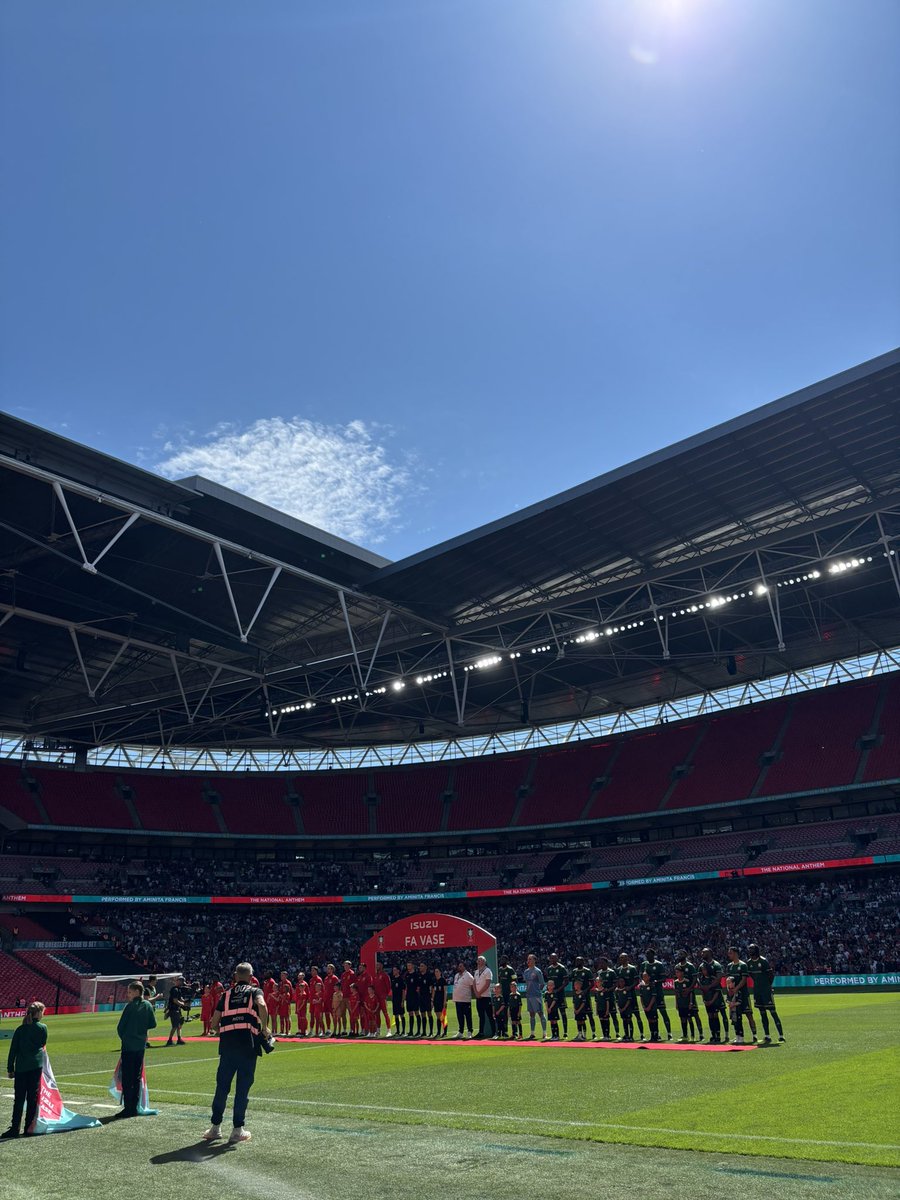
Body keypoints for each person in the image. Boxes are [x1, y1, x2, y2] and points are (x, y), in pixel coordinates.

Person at [203, 962, 270, 1145]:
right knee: (242, 1089)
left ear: (235, 976)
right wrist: (264, 1028)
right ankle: (237, 1130)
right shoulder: (254, 991)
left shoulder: (226, 994)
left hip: (227, 1046)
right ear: (251, 976)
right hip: (247, 1045)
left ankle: (215, 1128)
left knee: (222, 1087)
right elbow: (262, 1005)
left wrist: (219, 1029)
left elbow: (214, 1021)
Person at [3, 1001, 47, 1138]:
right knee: (32, 1098)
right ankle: (29, 1128)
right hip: (35, 1066)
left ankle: (14, 1128)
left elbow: (13, 1051)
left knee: (19, 1099)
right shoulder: (42, 1028)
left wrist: (10, 1068)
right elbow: (43, 1043)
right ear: (38, 1013)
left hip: (21, 1067)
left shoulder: (20, 1029)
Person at [116, 981, 157, 1118]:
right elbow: (153, 1024)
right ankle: (135, 1105)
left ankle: (129, 1108)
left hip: (128, 1046)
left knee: (127, 1077)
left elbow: (120, 1028)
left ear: (136, 992)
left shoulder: (130, 1007)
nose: (128, 995)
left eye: (129, 992)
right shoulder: (147, 1005)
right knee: (137, 1077)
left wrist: (126, 1037)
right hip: (140, 1045)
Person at [747, 944, 785, 1043]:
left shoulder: (763, 961)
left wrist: (768, 986)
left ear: (757, 950)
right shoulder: (749, 963)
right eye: (749, 949)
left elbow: (771, 975)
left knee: (773, 1012)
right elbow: (751, 975)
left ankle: (781, 1035)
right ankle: (767, 1035)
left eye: (752, 949)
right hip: (757, 991)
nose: (750, 951)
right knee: (762, 1013)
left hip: (766, 991)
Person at [726, 947, 758, 1045]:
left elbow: (744, 980)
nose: (729, 955)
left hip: (743, 994)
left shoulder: (743, 965)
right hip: (733, 995)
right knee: (736, 1016)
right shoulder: (729, 966)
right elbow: (728, 980)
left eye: (730, 953)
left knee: (749, 1015)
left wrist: (737, 988)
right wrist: (730, 990)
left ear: (735, 953)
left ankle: (755, 1035)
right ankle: (738, 1036)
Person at [640, 948, 672, 1040]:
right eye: (646, 954)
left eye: (649, 954)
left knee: (663, 1012)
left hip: (658, 992)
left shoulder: (659, 964)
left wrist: (655, 981)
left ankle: (669, 1033)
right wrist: (643, 981)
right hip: (648, 994)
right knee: (651, 1015)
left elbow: (664, 978)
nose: (647, 955)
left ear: (653, 955)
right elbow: (641, 975)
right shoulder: (644, 965)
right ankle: (655, 1034)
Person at [675, 950, 703, 1038]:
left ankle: (701, 1034)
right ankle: (685, 1034)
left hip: (690, 994)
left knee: (695, 1014)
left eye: (682, 954)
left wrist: (690, 989)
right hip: (681, 998)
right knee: (684, 1016)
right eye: (679, 954)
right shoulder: (677, 966)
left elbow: (695, 978)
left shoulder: (690, 966)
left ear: (686, 955)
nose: (680, 955)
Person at [697, 961, 726, 1044]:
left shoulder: (713, 978)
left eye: (705, 970)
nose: (703, 971)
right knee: (710, 1017)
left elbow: (717, 991)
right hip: (707, 1001)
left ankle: (718, 1035)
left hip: (714, 1001)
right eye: (702, 970)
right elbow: (702, 991)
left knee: (715, 1016)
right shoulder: (702, 979)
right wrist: (704, 1000)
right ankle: (712, 1034)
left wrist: (712, 1001)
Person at [616, 954, 644, 1041]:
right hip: (622, 996)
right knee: (625, 1017)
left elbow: (637, 981)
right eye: (620, 957)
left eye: (623, 957)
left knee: (637, 1015)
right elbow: (618, 981)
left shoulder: (632, 968)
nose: (621, 959)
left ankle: (642, 1035)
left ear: (627, 958)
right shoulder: (618, 969)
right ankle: (627, 1035)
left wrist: (630, 987)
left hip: (631, 995)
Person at [673, 966, 701, 1042]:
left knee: (689, 1019)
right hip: (680, 1003)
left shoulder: (687, 981)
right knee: (682, 1019)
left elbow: (691, 993)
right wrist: (676, 1003)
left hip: (687, 1003)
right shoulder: (675, 982)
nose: (677, 973)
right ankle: (685, 1035)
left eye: (678, 972)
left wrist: (691, 1002)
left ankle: (692, 1035)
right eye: (676, 972)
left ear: (682, 973)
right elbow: (676, 993)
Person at [545, 953, 570, 1039]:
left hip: (560, 995)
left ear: (557, 958)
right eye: (551, 958)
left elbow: (566, 981)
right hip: (552, 996)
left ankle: (565, 1032)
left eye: (554, 958)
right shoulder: (549, 969)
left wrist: (558, 990)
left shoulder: (562, 968)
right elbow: (549, 982)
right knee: (553, 1014)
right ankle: (555, 1033)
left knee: (563, 1013)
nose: (552, 960)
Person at [595, 956, 619, 1041]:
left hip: (610, 997)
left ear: (606, 963)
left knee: (613, 1015)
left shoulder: (611, 972)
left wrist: (608, 990)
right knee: (603, 1016)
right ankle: (605, 1034)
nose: (600, 964)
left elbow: (616, 984)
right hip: (601, 998)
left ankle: (617, 1033)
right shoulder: (599, 973)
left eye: (602, 963)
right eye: (600, 963)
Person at [452, 960, 475, 1039]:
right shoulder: (456, 975)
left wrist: (472, 995)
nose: (459, 967)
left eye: (461, 966)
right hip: (457, 1000)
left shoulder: (468, 975)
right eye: (459, 966)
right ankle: (460, 1032)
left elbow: (473, 986)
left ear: (464, 967)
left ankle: (470, 1032)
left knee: (468, 1016)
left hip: (465, 1000)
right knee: (460, 1017)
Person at [474, 955, 495, 1039]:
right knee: (481, 1015)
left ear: (484, 961)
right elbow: (474, 983)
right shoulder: (476, 972)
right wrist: (476, 993)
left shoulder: (488, 971)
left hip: (486, 996)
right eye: (478, 960)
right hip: (478, 997)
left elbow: (487, 984)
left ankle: (494, 1032)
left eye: (480, 960)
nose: (478, 962)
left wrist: (479, 992)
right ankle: (481, 1032)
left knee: (490, 1015)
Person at [164, 976, 189, 1046]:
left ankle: (179, 1039)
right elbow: (175, 1000)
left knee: (179, 1025)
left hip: (177, 1009)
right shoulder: (175, 989)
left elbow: (180, 999)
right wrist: (183, 1005)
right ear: (178, 981)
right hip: (174, 1010)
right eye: (181, 981)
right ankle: (169, 1040)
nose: (182, 983)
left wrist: (185, 1001)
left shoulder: (178, 989)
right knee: (175, 1026)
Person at [637, 971, 660, 1042]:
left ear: (649, 977)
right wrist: (643, 1006)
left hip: (652, 1007)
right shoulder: (641, 987)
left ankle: (656, 1035)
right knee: (649, 1020)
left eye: (646, 976)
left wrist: (649, 1006)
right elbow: (641, 997)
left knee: (654, 1020)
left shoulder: (652, 985)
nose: (644, 977)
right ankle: (652, 1034)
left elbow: (653, 997)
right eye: (643, 976)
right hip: (646, 1007)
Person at [373, 962, 393, 1037]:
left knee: (385, 1013)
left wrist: (385, 996)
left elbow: (388, 987)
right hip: (377, 998)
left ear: (381, 966)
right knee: (377, 1014)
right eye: (376, 965)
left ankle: (389, 1030)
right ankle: (378, 1030)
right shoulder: (375, 976)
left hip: (382, 998)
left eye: (378, 965)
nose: (377, 966)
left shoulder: (385, 975)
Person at [615, 976, 636, 1041]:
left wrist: (624, 1008)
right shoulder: (617, 990)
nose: (621, 983)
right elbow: (617, 1000)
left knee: (629, 1021)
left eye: (622, 981)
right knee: (624, 1021)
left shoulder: (626, 989)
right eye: (620, 981)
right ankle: (626, 1035)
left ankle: (631, 1036)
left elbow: (629, 1000)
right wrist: (619, 1008)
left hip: (627, 1009)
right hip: (621, 1009)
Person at [417, 962, 435, 1037]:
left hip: (427, 997)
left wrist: (432, 999)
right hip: (421, 997)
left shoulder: (429, 976)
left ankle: (431, 1031)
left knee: (429, 1013)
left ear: (425, 967)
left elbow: (432, 988)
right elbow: (418, 988)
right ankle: (424, 1031)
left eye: (422, 966)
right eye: (420, 966)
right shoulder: (419, 976)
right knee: (423, 1014)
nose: (420, 967)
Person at [403, 960, 420, 1037]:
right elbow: (406, 986)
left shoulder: (416, 975)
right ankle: (411, 1031)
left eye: (409, 965)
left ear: (412, 966)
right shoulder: (406, 975)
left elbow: (418, 987)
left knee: (416, 1012)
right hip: (409, 996)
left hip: (415, 996)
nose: (408, 967)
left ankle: (419, 1031)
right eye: (407, 966)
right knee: (410, 1013)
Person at [390, 965, 406, 1037]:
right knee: (396, 1015)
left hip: (400, 1000)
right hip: (394, 1000)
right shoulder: (393, 979)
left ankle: (403, 1031)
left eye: (395, 970)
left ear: (398, 971)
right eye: (393, 970)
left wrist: (402, 1001)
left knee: (401, 1015)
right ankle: (398, 1031)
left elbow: (403, 991)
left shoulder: (401, 979)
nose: (394, 971)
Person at [432, 966, 448, 1038]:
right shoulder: (434, 981)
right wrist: (432, 1000)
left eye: (437, 971)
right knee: (438, 1017)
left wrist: (445, 1001)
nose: (436, 973)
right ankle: (438, 1032)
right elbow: (434, 991)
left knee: (443, 1016)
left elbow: (445, 991)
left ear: (440, 972)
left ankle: (445, 1032)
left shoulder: (443, 980)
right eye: (435, 972)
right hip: (436, 1000)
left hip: (441, 1000)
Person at [277, 972, 293, 1037]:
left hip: (286, 1003)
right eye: (281, 975)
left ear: (286, 976)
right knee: (281, 1017)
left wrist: (288, 1001)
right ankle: (282, 1030)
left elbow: (291, 993)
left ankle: (288, 1031)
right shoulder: (280, 983)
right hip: (281, 1003)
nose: (281, 976)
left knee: (287, 1017)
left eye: (283, 975)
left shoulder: (288, 983)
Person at [294, 972, 309, 1037]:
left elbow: (307, 994)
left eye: (300, 975)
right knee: (299, 1017)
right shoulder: (298, 984)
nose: (299, 977)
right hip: (298, 1002)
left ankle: (304, 1030)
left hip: (302, 1003)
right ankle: (300, 1030)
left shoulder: (305, 984)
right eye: (298, 975)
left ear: (303, 976)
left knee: (303, 1017)